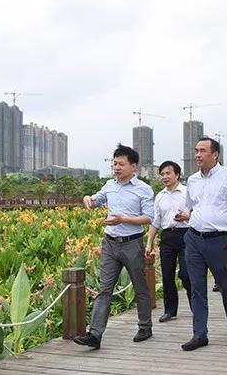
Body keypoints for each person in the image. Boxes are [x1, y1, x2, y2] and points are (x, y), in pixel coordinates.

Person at [74, 145, 154, 349]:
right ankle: (95, 334)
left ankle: (145, 326)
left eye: (121, 164)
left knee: (140, 287)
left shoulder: (143, 189)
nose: (116, 167)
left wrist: (123, 219)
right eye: (114, 164)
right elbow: (96, 200)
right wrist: (88, 199)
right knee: (104, 289)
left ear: (133, 166)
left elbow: (148, 218)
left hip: (132, 243)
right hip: (110, 243)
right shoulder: (110, 185)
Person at [180, 137, 227, 351]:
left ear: (215, 154)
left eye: (202, 151)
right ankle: (200, 334)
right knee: (196, 287)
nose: (197, 155)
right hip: (193, 238)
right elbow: (191, 208)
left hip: (218, 240)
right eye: (196, 151)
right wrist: (184, 215)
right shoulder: (192, 180)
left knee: (225, 284)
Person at [145, 161, 191, 323]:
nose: (165, 177)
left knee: (186, 273)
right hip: (167, 236)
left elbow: (197, 213)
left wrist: (186, 216)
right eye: (162, 174)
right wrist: (149, 243)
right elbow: (155, 222)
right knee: (167, 275)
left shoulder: (187, 192)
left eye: (168, 173)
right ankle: (170, 310)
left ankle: (195, 304)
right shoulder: (159, 196)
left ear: (177, 175)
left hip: (186, 234)